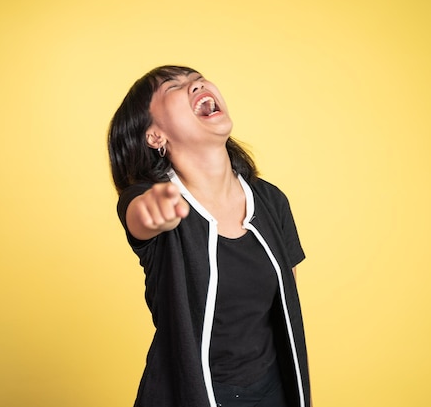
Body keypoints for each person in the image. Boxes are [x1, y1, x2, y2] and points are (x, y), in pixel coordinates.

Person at [108, 65, 311, 407]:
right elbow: (139, 216)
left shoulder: (270, 201)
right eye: (175, 85)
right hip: (187, 395)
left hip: (272, 392)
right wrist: (153, 209)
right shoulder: (154, 202)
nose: (196, 84)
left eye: (197, 79)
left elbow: (285, 305)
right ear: (155, 135)